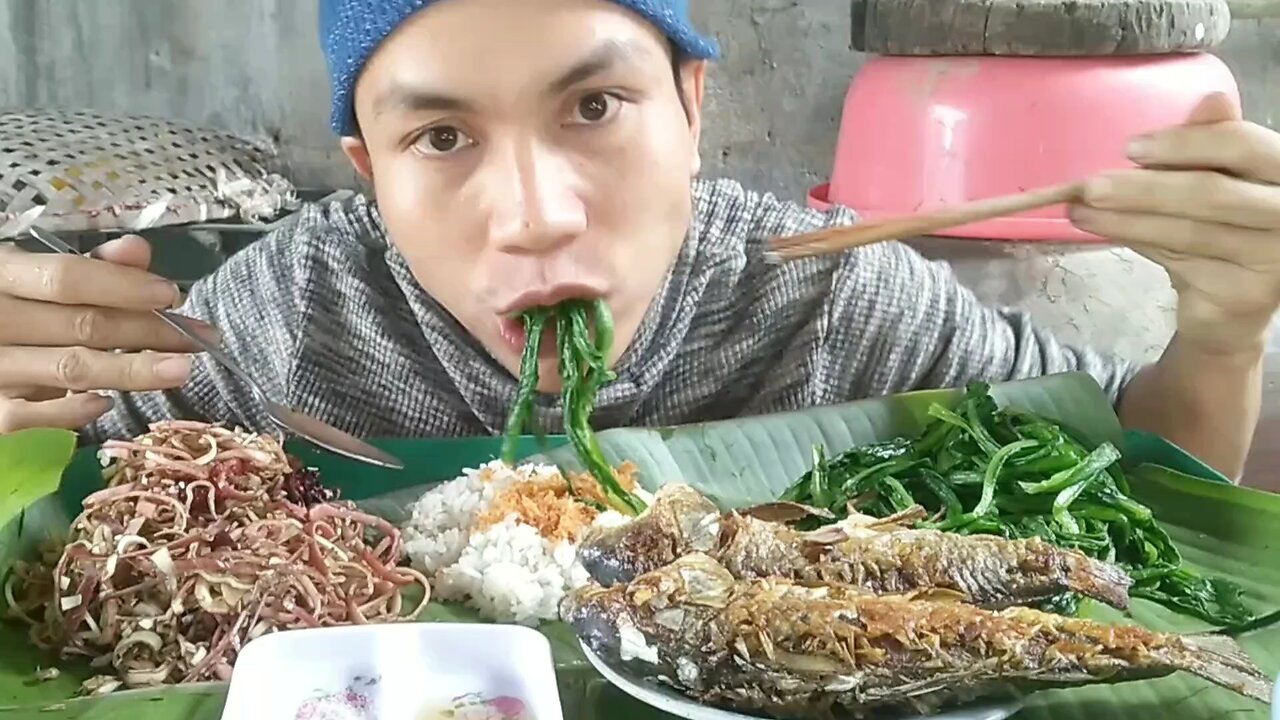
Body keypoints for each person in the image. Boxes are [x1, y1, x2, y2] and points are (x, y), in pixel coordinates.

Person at [0, 0, 1277, 482]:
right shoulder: (277, 317)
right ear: (369, 174)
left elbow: (1142, 480)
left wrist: (1219, 335)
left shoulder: (831, 295)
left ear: (691, 112)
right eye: (439, 140)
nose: (539, 213)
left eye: (595, 107)